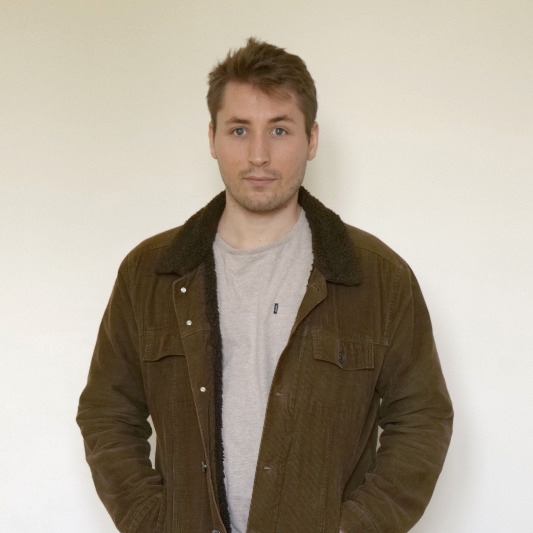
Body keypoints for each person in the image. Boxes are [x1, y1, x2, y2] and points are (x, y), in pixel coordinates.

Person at [77, 37, 453, 533]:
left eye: (279, 129)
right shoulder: (149, 273)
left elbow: (422, 419)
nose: (258, 155)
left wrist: (356, 527)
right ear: (212, 138)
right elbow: (106, 413)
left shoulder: (378, 277)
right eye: (239, 130)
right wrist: (151, 521)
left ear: (311, 140)